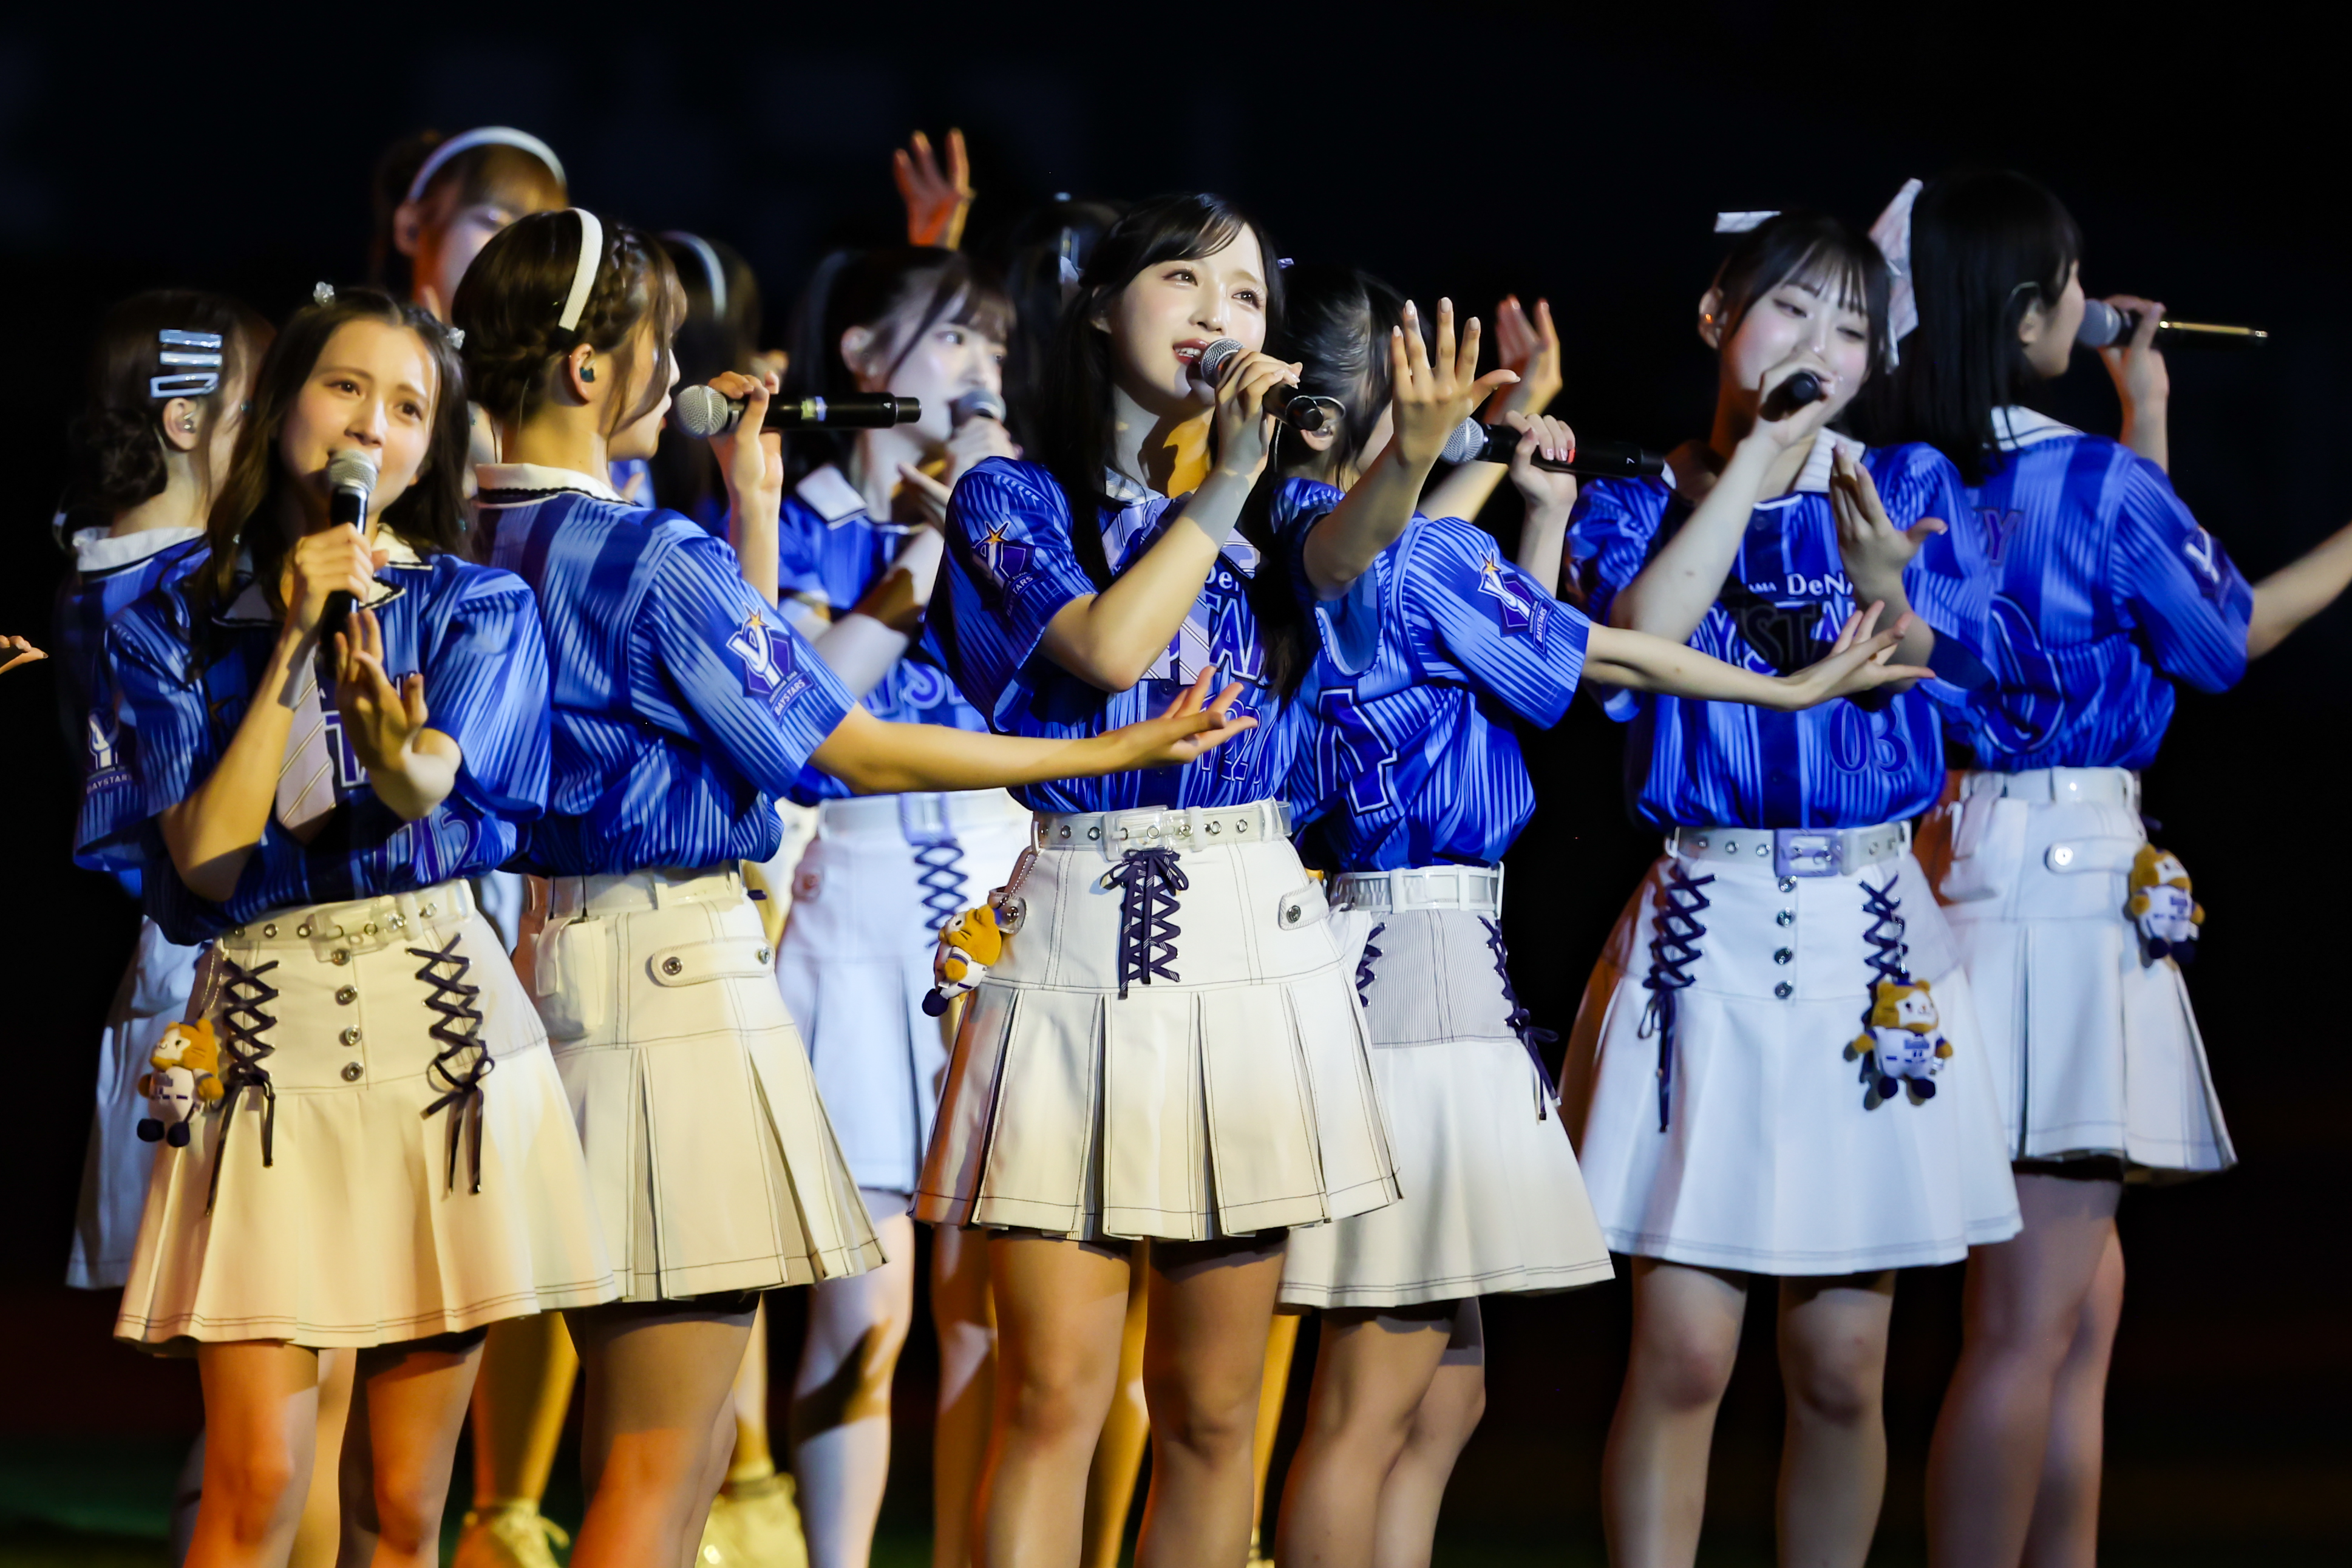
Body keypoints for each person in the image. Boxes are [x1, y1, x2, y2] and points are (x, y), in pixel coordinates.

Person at [451, 206, 1253, 1568]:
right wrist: (1104, 744)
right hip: (670, 989)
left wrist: (751, 510)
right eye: (658, 345)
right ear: (593, 371)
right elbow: (831, 740)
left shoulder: (484, 534)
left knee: (668, 1446)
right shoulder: (648, 554)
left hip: (558, 966)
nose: (674, 365)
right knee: (660, 1462)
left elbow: (729, 718)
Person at [1264, 263, 1932, 1568]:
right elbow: (1601, 653)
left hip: (1427, 950)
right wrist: (1783, 694)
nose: (1457, 407)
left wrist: (1519, 490)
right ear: (1364, 411)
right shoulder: (1360, 540)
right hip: (1403, 959)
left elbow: (1501, 660)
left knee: (1441, 1385)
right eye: (1426, 388)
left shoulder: (1376, 545)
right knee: (1372, 1389)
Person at [918, 191, 1527, 1566]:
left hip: (1249, 931)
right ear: (1094, 306)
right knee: (1054, 1396)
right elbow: (1103, 649)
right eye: (1184, 281)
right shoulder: (1011, 495)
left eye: (1246, 295)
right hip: (1076, 924)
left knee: (1212, 1409)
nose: (1218, 316)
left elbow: (1343, 550)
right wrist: (1225, 485)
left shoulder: (1280, 500)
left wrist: (1413, 456)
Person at [78, 282, 613, 1568]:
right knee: (258, 1481)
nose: (375, 425)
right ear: (281, 409)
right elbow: (205, 860)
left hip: (442, 1047)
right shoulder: (162, 610)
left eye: (411, 405)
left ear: (438, 444)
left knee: (400, 1503)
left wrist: (394, 745)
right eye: (347, 388)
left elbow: (432, 784)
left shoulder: (477, 606)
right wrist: (290, 644)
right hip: (263, 1043)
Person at [1871, 168, 2352, 1568]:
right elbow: (2222, 633)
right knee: (2028, 1325)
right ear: (2028, 315)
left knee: (2073, 1311)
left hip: (1962, 870)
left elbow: (2147, 586)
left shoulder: (1908, 473)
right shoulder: (2084, 481)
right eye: (2071, 280)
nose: (2092, 301)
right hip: (2068, 897)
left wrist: (2141, 412)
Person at [1557, 208, 2020, 1568]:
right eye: (1789, 313)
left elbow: (1993, 674)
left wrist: (1899, 598)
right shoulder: (1636, 493)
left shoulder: (1905, 479)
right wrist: (1756, 461)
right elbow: (1630, 645)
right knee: (1686, 1351)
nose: (1819, 348)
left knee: (1839, 1362)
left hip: (1868, 934)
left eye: (1851, 327)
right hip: (1704, 922)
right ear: (1715, 317)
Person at [761, 244, 1031, 1568]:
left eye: (991, 345)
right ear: (863, 361)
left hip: (1001, 888)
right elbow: (800, 717)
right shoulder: (804, 510)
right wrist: (922, 543)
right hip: (849, 901)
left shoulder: (1014, 515)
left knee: (991, 1310)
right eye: (949, 341)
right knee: (858, 1317)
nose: (977, 369)